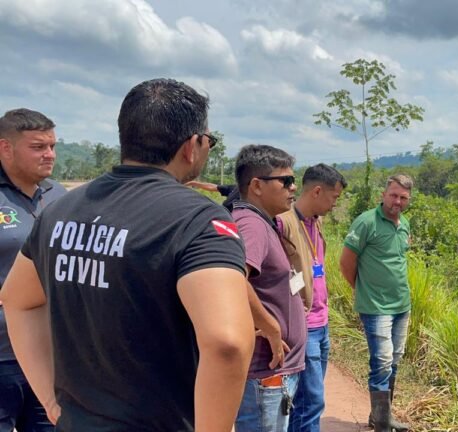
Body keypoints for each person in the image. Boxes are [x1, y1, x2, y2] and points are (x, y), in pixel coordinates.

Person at [0, 78, 270, 431]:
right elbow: (227, 343)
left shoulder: (61, 209)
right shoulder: (198, 220)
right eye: (208, 140)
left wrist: (52, 400)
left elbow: (17, 300)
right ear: (191, 146)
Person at [232, 144, 307, 432]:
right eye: (285, 181)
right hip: (266, 371)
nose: (293, 187)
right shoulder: (251, 224)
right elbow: (234, 278)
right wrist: (272, 328)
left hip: (272, 372)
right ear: (256, 186)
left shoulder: (263, 222)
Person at [0, 108, 66, 432]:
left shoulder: (59, 197)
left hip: (48, 356)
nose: (49, 155)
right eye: (38, 147)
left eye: (52, 146)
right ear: (5, 148)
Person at [339, 174, 414, 432]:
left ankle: (380, 416)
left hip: (401, 305)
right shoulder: (366, 222)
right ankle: (383, 424)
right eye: (393, 195)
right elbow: (346, 262)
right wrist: (362, 289)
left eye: (403, 197)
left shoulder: (403, 224)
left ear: (408, 200)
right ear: (383, 195)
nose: (397, 201)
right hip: (376, 306)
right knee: (381, 361)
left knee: (394, 358)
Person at [279, 164, 346, 432]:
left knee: (306, 401)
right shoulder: (284, 222)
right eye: (335, 197)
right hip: (303, 323)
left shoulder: (316, 221)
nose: (334, 204)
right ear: (317, 191)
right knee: (311, 401)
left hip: (321, 322)